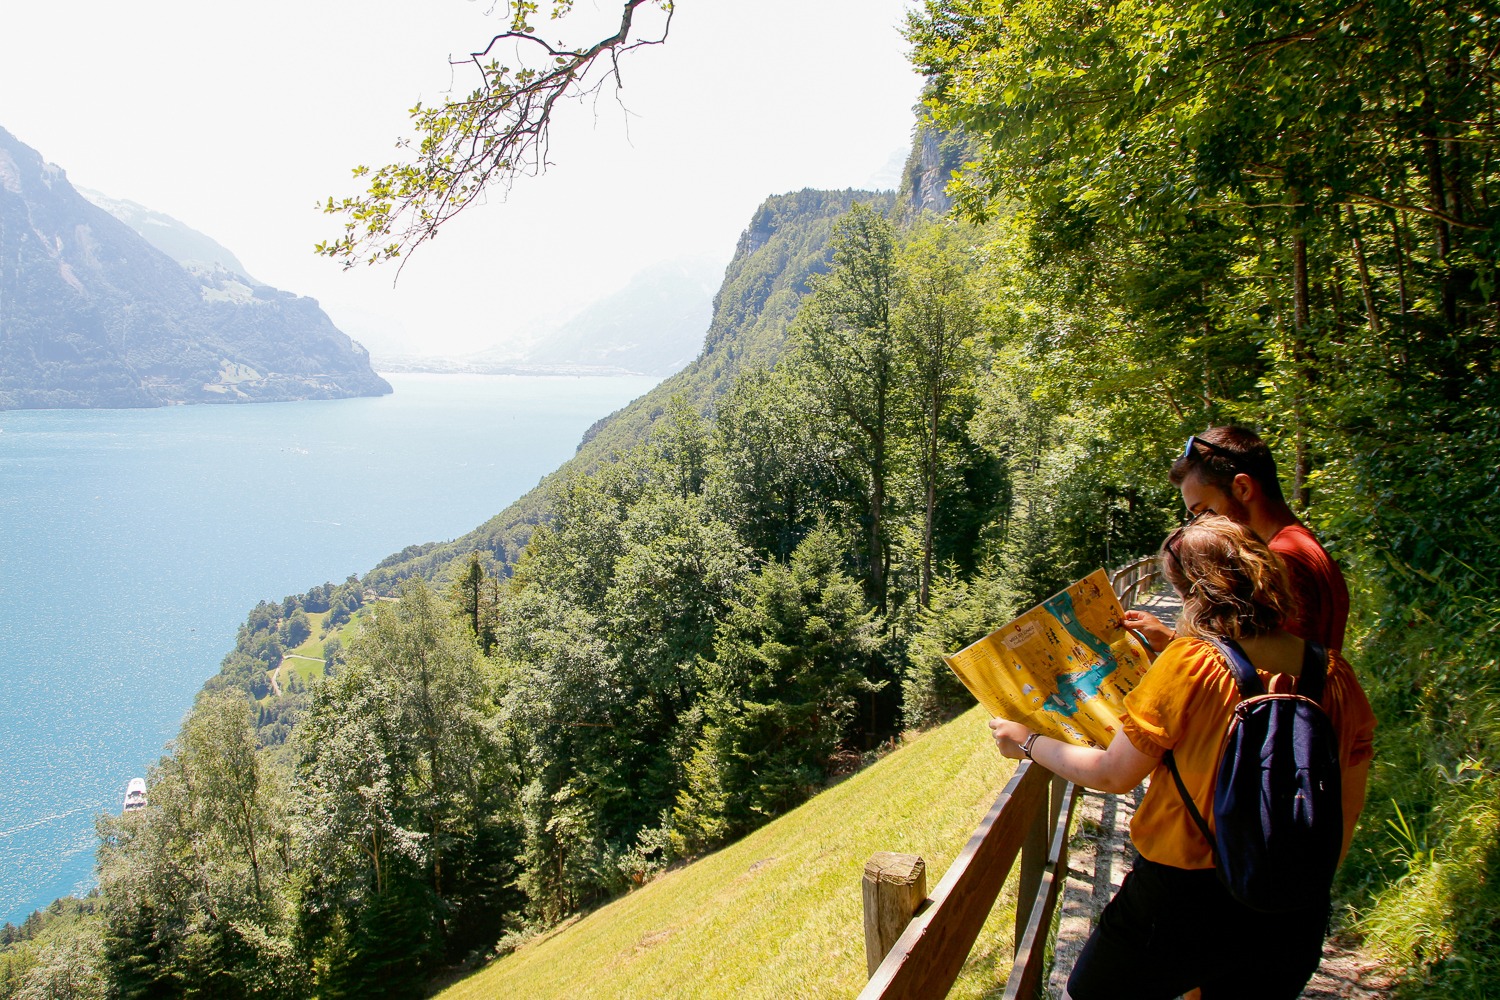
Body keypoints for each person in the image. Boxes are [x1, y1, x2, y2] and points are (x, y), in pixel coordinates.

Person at [990, 516, 1375, 1000]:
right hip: (1293, 904)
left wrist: (1027, 742)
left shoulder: (1192, 664)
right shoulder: (1336, 676)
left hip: (1180, 896)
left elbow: (1112, 774)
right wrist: (1294, 883)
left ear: (1196, 594)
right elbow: (1348, 805)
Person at [1125, 426, 1351, 653]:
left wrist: (1175, 652)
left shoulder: (1281, 561)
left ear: (1242, 488)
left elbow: (1276, 674)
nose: (1201, 525)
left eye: (1204, 511)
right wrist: (1171, 641)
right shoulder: (1300, 544)